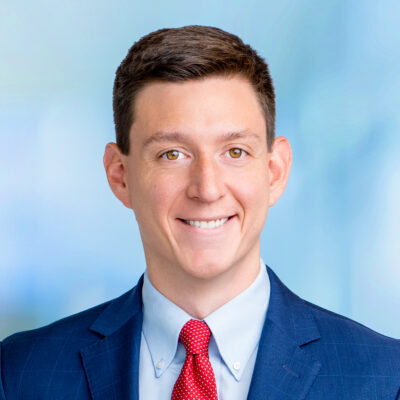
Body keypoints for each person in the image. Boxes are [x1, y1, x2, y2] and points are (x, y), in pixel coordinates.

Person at [1, 25, 399, 400]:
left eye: (235, 152)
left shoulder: (385, 378)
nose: (207, 189)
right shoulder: (21, 373)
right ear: (120, 175)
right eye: (172, 154)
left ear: (275, 172)